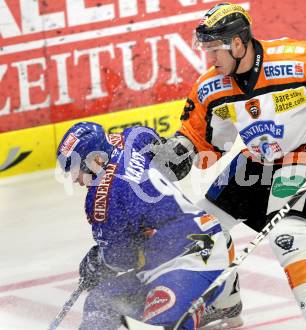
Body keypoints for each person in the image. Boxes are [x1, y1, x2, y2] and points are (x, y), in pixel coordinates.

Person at [152, 2, 306, 329]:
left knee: (289, 235)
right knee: (201, 229)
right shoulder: (211, 87)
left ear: (239, 43)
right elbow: (196, 137)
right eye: (206, 50)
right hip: (257, 161)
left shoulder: (297, 60)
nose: (209, 59)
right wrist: (170, 159)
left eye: (215, 50)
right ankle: (225, 304)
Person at [55, 121, 243, 330]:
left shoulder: (102, 200)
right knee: (101, 301)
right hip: (185, 245)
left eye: (75, 169)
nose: (74, 179)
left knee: (167, 325)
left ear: (97, 159)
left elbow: (122, 258)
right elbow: (161, 151)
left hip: (194, 257)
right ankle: (212, 300)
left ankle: (213, 301)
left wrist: (99, 262)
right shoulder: (132, 137)